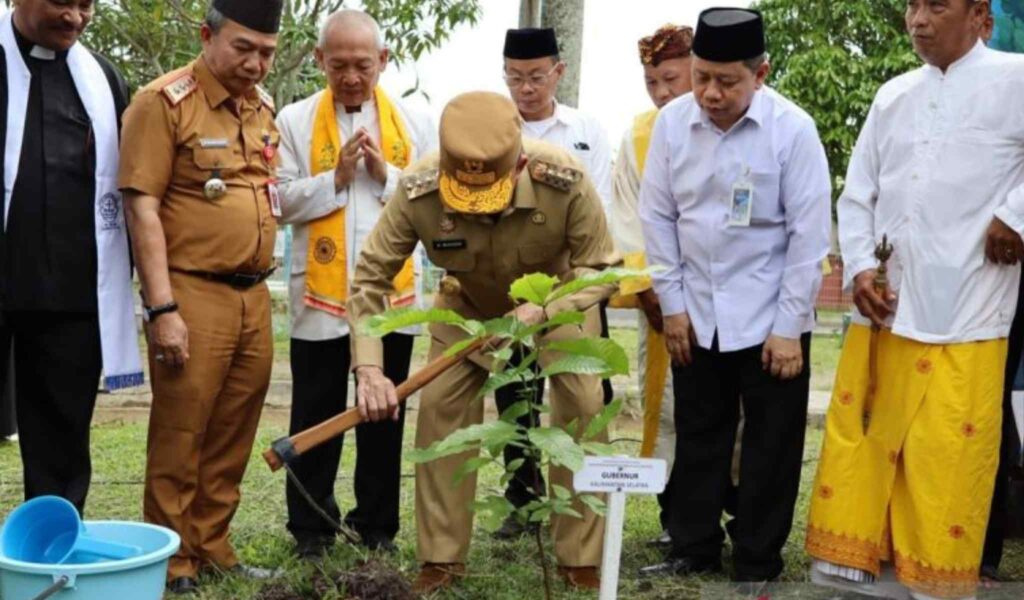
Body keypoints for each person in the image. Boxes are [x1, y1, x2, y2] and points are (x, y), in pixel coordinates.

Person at [346, 91, 620, 594]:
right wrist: (369, 369)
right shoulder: (419, 188)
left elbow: (601, 269)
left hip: (553, 297)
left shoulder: (564, 178)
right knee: (439, 408)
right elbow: (368, 280)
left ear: (519, 160)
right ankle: (441, 558)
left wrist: (547, 308)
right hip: (468, 303)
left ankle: (580, 557)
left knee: (582, 400)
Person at [805, 1, 1024, 598]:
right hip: (888, 304)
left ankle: (937, 580)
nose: (918, 19)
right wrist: (856, 270)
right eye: (911, 5)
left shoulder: (1017, 78)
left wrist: (1015, 215)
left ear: (978, 13)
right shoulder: (892, 94)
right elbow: (859, 193)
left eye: (936, 5)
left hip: (968, 304)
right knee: (872, 442)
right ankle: (869, 572)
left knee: (947, 452)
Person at [639, 7, 831, 586]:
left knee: (772, 444)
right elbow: (658, 218)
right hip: (695, 312)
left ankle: (757, 559)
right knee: (700, 434)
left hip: (770, 315)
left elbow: (808, 236)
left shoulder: (793, 130)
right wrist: (672, 308)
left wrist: (788, 327)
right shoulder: (673, 125)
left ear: (761, 73)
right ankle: (694, 547)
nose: (710, 93)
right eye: (701, 77)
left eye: (727, 81)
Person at [119, 0, 284, 594]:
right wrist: (162, 309)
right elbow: (142, 207)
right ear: (207, 34)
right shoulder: (163, 103)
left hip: (254, 296)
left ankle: (212, 545)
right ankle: (171, 558)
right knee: (181, 432)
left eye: (266, 52)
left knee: (233, 429)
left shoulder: (263, 109)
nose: (256, 64)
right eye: (243, 48)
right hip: (192, 292)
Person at [275, 8, 436, 558]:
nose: (349, 76)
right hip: (318, 299)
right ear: (319, 60)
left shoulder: (415, 122)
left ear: (383, 61)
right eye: (337, 64)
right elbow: (278, 202)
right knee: (315, 413)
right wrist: (336, 178)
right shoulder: (294, 120)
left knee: (384, 414)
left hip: (393, 299)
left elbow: (431, 198)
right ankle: (312, 530)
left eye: (362, 64)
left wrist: (385, 175)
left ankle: (377, 527)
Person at [0, 0, 142, 513]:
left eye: (87, 5)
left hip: (70, 290)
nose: (76, 17)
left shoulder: (102, 76)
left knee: (61, 440)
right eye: (64, 2)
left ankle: (50, 558)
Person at [494, 25, 616, 540]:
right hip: (513, 285)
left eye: (536, 76)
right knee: (514, 397)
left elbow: (600, 208)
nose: (526, 88)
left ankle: (584, 504)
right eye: (515, 77)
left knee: (584, 393)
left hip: (573, 283)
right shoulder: (494, 129)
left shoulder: (586, 129)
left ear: (557, 73)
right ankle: (522, 502)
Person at [608, 22, 693, 547]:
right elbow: (627, 217)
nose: (662, 93)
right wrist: (647, 289)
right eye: (652, 82)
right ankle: (673, 517)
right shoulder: (639, 134)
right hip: (660, 299)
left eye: (670, 78)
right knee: (664, 406)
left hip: (720, 296)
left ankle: (722, 511)